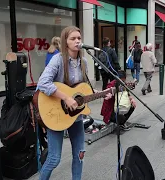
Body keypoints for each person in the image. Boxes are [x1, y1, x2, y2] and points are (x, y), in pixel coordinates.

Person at [37, 26, 112, 180]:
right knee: (54, 159)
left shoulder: (83, 61)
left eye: (79, 38)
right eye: (73, 38)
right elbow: (43, 83)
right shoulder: (58, 59)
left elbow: (83, 89)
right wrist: (65, 97)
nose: (77, 41)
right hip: (56, 114)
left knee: (79, 155)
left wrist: (101, 94)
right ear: (65, 42)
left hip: (75, 117)